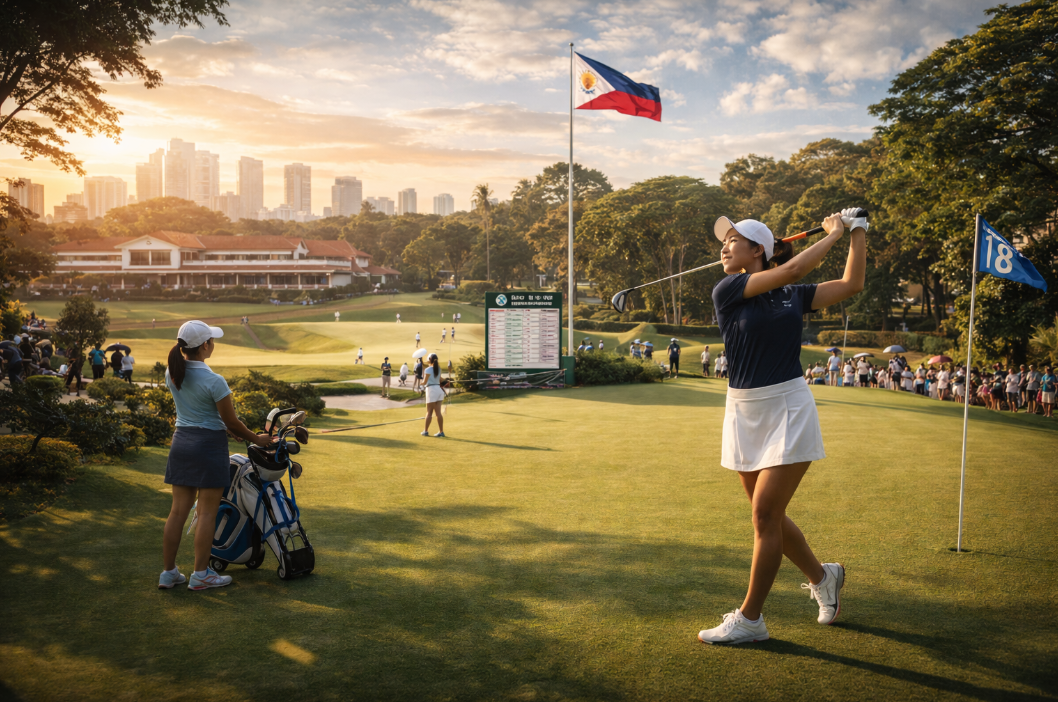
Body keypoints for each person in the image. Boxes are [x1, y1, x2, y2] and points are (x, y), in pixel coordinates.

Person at [697, 210, 864, 646]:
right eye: (724, 240)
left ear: (757, 250)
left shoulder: (793, 294)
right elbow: (790, 267)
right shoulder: (728, 288)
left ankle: (751, 618)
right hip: (743, 410)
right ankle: (823, 576)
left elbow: (850, 286)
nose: (723, 245)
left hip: (789, 406)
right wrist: (833, 233)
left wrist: (856, 235)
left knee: (765, 515)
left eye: (733, 239)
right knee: (767, 513)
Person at [160, 320, 273, 591]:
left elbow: (200, 413)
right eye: (212, 340)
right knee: (207, 513)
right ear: (205, 346)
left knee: (177, 512)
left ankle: (168, 573)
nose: (214, 344)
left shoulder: (172, 373)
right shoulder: (214, 380)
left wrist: (226, 427)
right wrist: (257, 438)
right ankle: (200, 575)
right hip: (208, 447)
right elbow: (232, 422)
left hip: (181, 444)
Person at [421, 352, 446, 438]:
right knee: (438, 412)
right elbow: (439, 379)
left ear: (429, 360)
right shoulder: (438, 369)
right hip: (439, 390)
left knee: (429, 412)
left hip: (431, 390)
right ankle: (441, 432)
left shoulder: (427, 370)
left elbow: (424, 382)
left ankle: (425, 431)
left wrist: (419, 382)